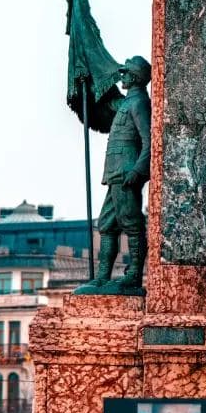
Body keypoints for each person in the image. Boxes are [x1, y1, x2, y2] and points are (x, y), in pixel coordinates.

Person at [82, 56, 151, 291]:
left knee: (132, 225)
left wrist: (138, 170)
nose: (121, 76)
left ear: (134, 77)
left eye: (124, 73)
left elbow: (149, 141)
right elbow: (105, 101)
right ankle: (103, 277)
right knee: (107, 225)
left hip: (125, 172)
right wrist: (88, 79)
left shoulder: (139, 102)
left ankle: (133, 276)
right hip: (115, 173)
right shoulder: (127, 102)